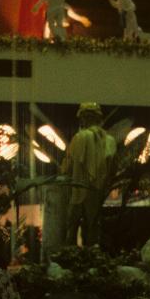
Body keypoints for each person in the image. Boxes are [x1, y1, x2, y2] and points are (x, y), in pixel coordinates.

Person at [61, 103, 116, 248]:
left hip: (78, 191)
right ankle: (92, 260)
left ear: (84, 118)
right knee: (93, 228)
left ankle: (72, 260)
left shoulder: (80, 137)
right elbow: (112, 168)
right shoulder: (110, 141)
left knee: (72, 228)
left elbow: (69, 166)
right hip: (98, 191)